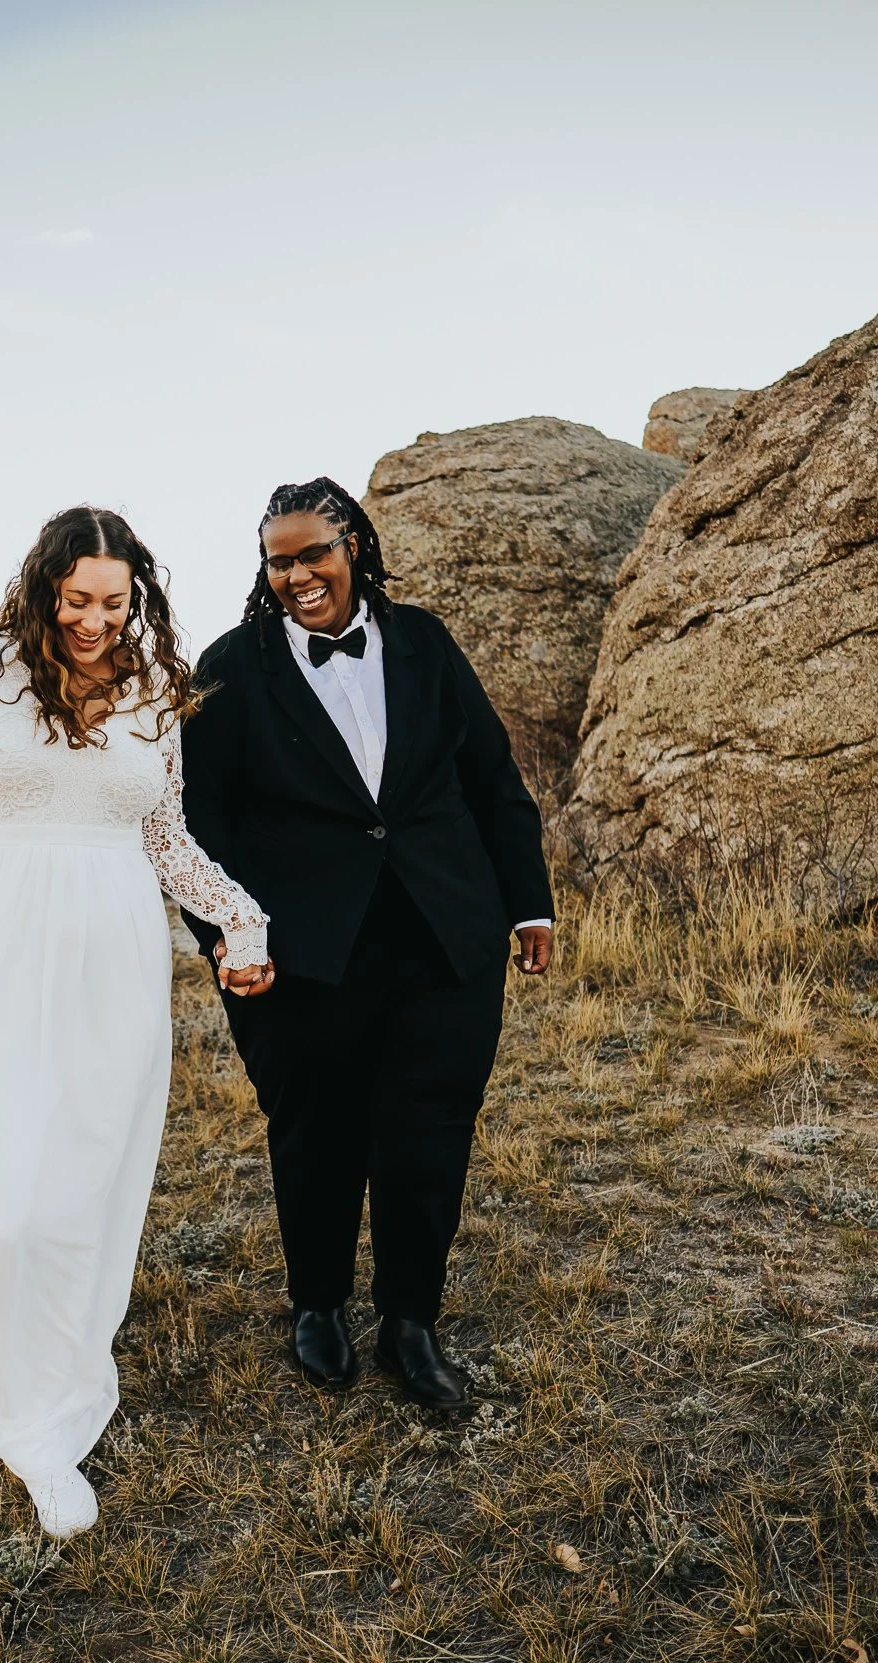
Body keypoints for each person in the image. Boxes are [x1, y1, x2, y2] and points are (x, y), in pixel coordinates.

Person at [0, 506, 273, 1539]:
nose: (94, 620)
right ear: (42, 584)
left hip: (111, 962)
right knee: (2, 1202)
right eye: (77, 598)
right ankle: (17, 1405)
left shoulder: (149, 687)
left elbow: (165, 839)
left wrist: (239, 911)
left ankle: (39, 1404)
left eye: (114, 602)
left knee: (77, 1194)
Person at [179, 477, 551, 1412]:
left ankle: (411, 1323)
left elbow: (491, 773)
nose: (299, 574)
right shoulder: (230, 668)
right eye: (280, 559)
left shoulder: (424, 642)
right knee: (317, 1132)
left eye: (316, 552)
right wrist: (229, 935)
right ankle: (318, 1307)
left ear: (355, 546)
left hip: (445, 935)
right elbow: (193, 819)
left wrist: (528, 903)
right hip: (302, 956)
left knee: (431, 1130)